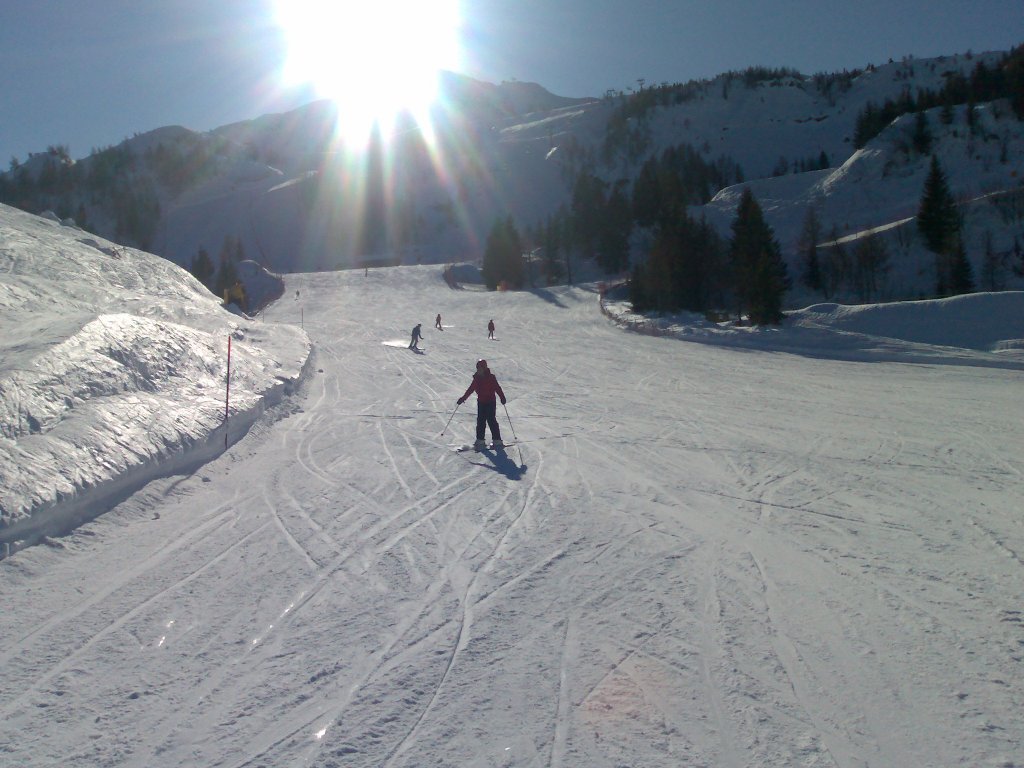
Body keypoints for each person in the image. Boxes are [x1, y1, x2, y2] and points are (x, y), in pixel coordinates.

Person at [457, 359, 506, 450]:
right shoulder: (477, 379)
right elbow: (470, 389)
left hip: (490, 401)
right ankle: (480, 440)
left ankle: (497, 440)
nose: (479, 370)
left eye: (481, 368)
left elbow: (497, 388)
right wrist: (463, 398)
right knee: (480, 421)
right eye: (478, 368)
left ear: (484, 368)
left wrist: (502, 397)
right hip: (481, 402)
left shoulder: (491, 377)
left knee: (491, 420)